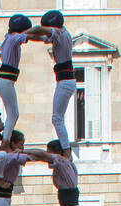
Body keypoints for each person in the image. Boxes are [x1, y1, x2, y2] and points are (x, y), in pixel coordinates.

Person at [35, 10, 77, 154]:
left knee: (57, 118)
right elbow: (41, 36)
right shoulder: (62, 34)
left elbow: (39, 30)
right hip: (65, 81)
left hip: (65, 82)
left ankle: (66, 150)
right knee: (58, 118)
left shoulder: (59, 33)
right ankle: (66, 148)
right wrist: (25, 37)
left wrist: (23, 31)